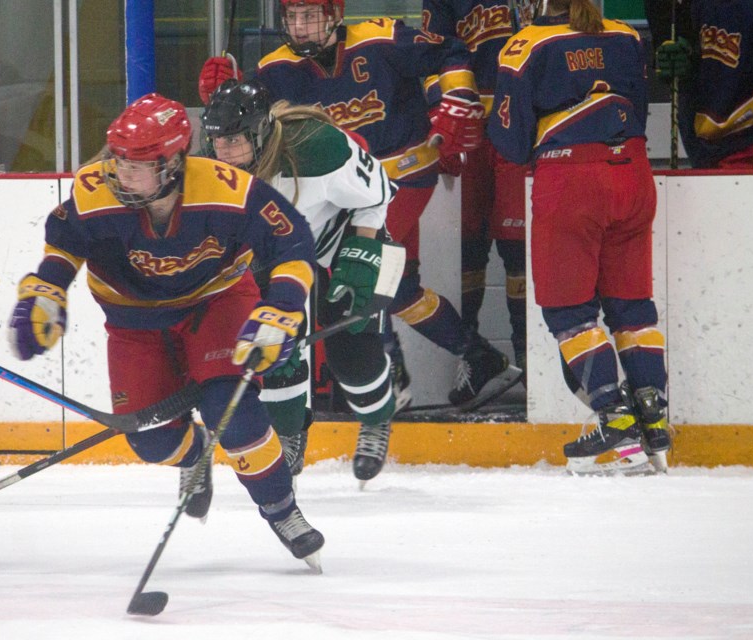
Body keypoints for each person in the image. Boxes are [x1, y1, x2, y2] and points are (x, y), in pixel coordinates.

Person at [8, 93, 325, 568]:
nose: (121, 173)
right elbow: (64, 243)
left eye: (137, 165)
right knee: (150, 439)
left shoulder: (226, 189)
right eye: (117, 160)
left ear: (174, 163)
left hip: (216, 302)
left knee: (231, 410)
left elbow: (292, 241)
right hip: (133, 320)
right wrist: (46, 291)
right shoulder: (95, 189)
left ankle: (282, 509)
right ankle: (196, 455)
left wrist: (281, 309)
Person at [198, 0, 523, 412]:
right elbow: (242, 121)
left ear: (335, 16)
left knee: (353, 273)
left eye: (310, 17)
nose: (299, 28)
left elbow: (450, 50)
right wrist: (220, 92)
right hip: (347, 192)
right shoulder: (273, 70)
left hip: (400, 181)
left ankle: (394, 377)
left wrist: (455, 95)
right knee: (399, 286)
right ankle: (480, 357)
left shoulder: (381, 37)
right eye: (292, 18)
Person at [487, 0, 671, 475]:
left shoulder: (527, 44)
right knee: (632, 305)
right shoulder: (626, 37)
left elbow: (509, 140)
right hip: (634, 173)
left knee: (569, 310)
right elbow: (642, 107)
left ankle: (615, 421)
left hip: (572, 179)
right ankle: (653, 418)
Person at [201, 80, 404, 486]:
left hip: (339, 237)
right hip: (273, 256)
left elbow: (378, 192)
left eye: (234, 141)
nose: (223, 153)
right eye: (217, 143)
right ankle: (290, 432)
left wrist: (363, 253)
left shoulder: (317, 148)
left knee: (353, 351)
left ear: (260, 132)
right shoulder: (214, 167)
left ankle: (377, 418)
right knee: (274, 348)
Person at [423, 0, 530, 385]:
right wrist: (445, 109)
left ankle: (528, 357)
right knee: (468, 247)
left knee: (519, 248)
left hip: (523, 123)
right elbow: (432, 49)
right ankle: (472, 358)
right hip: (471, 127)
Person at [654, 0, 753, 169]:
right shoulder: (688, 6)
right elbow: (691, 60)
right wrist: (680, 64)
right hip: (705, 150)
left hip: (752, 147)